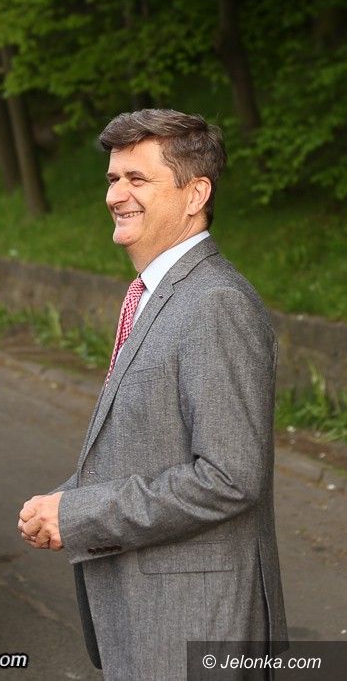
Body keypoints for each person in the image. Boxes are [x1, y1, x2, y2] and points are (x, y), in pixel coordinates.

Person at [18, 109, 288, 680]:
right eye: (113, 179)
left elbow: (229, 478)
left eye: (137, 179)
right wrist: (64, 501)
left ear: (196, 195)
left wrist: (83, 514)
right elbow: (149, 446)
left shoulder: (215, 303)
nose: (116, 195)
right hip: (155, 624)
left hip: (196, 628)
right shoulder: (156, 295)